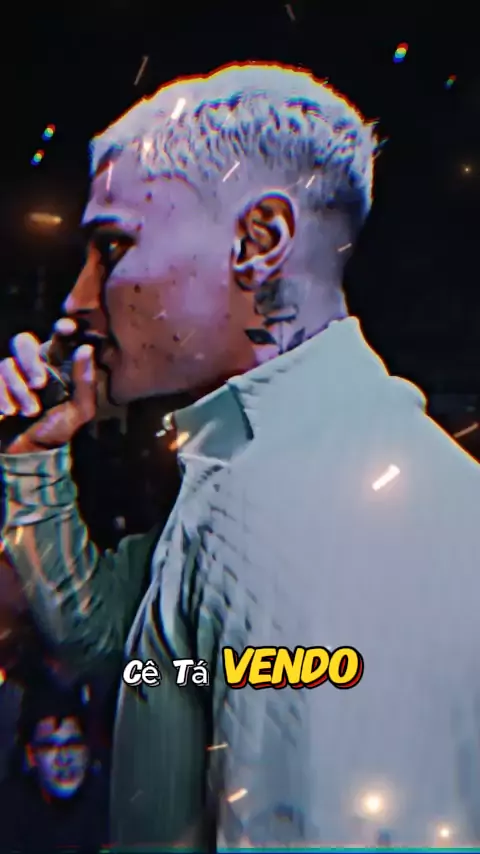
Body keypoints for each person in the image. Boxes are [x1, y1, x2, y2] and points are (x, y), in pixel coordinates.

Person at [0, 61, 479, 848]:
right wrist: (36, 457)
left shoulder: (307, 514)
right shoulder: (258, 464)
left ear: (260, 242)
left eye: (111, 247)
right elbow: (137, 654)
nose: (76, 302)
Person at [0, 682, 108, 852]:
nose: (64, 759)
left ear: (88, 750)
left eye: (73, 744)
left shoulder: (111, 803)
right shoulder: (7, 809)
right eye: (49, 747)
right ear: (31, 756)